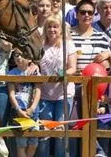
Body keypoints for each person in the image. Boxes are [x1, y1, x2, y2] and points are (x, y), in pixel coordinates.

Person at [37, 15, 77, 157]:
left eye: (55, 26)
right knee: (44, 134)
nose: (52, 29)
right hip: (44, 94)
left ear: (61, 29)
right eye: (49, 26)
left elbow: (73, 68)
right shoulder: (40, 45)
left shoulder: (68, 45)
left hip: (64, 94)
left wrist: (63, 74)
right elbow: (34, 65)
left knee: (60, 134)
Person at [8, 50, 41, 157]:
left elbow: (38, 90)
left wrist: (33, 107)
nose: (19, 58)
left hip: (33, 109)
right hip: (19, 110)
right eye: (16, 55)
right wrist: (18, 109)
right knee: (21, 143)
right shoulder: (12, 73)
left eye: (23, 55)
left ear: (30, 59)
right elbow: (11, 93)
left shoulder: (35, 72)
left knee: (33, 143)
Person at [70, 0, 111, 72]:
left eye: (90, 12)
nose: (86, 15)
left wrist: (109, 55)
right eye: (83, 12)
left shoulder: (102, 37)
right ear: (76, 15)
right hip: (73, 81)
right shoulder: (68, 35)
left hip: (94, 81)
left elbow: (109, 67)